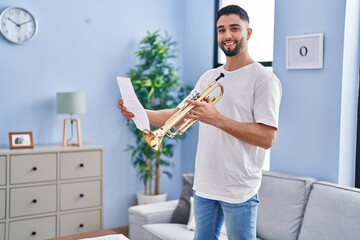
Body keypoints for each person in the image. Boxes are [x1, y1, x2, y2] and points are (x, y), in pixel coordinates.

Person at [118, 4, 282, 240]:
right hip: (205, 183)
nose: (227, 35)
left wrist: (217, 119)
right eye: (221, 29)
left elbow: (268, 138)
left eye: (234, 28)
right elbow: (178, 114)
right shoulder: (209, 76)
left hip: (238, 188)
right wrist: (139, 112)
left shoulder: (264, 79)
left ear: (248, 32)